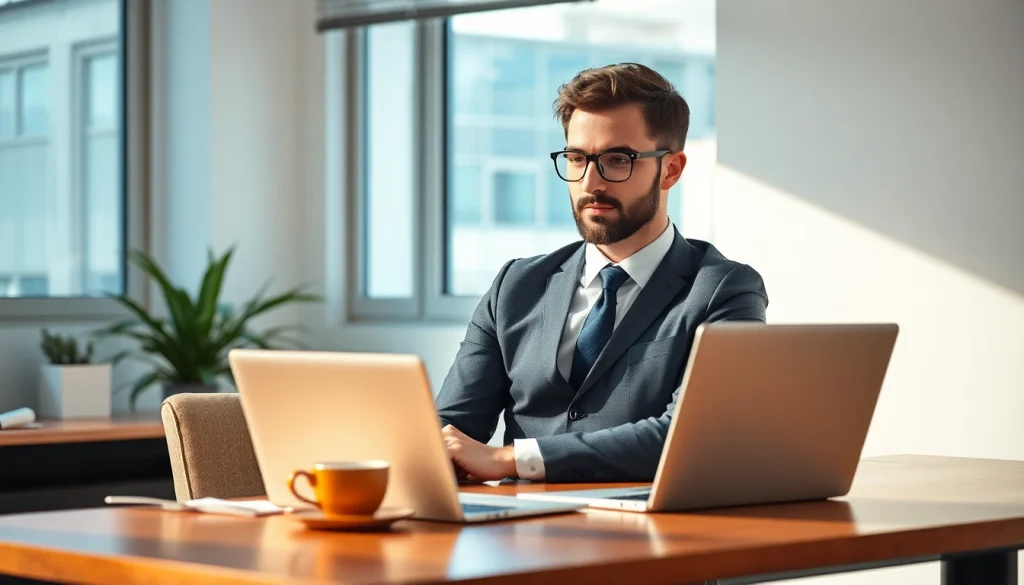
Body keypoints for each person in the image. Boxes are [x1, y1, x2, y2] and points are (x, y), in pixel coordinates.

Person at [435, 63, 768, 483]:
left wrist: (512, 460)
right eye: (576, 158)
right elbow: (452, 429)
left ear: (671, 170)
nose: (591, 182)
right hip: (516, 533)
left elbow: (692, 436)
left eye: (618, 159)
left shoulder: (724, 290)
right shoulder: (516, 285)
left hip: (650, 534)